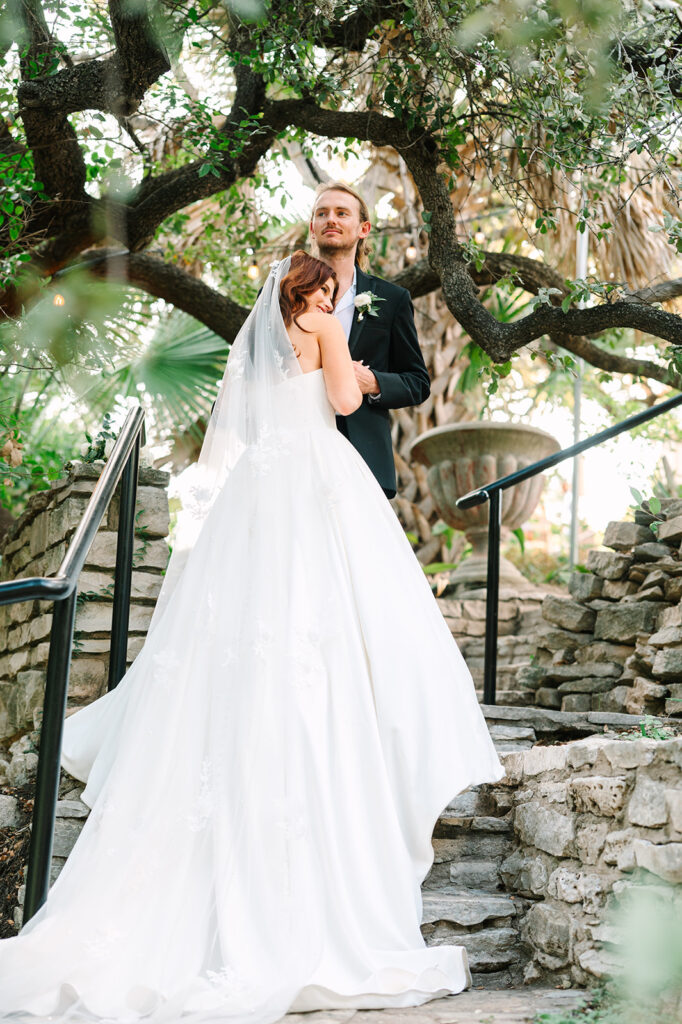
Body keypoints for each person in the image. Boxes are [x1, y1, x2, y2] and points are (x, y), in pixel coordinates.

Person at [0, 252, 504, 1024]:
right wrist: (354, 364)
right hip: (317, 482)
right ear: (318, 293)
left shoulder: (262, 333)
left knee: (239, 631)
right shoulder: (327, 327)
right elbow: (342, 399)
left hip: (254, 496)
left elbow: (237, 431)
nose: (333, 299)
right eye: (329, 291)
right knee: (330, 626)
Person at [310, 181, 430, 499]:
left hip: (361, 457)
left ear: (363, 228)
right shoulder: (283, 292)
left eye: (341, 213)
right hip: (297, 443)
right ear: (312, 228)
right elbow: (255, 361)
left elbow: (418, 382)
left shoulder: (392, 299)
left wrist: (373, 382)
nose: (330, 220)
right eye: (322, 213)